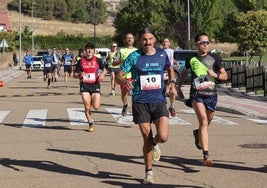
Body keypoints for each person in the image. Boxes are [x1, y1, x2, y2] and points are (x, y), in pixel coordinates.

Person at [116, 27, 177, 184]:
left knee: (163, 136)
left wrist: (171, 82)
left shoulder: (162, 54)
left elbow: (170, 68)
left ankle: (155, 144)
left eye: (150, 39)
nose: (147, 42)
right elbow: (119, 75)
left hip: (158, 100)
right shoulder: (134, 56)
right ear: (140, 41)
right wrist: (125, 81)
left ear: (154, 40)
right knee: (146, 138)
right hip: (140, 101)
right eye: (144, 39)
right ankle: (148, 172)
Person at [178, 32, 227, 166]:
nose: (205, 45)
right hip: (197, 94)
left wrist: (215, 74)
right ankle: (206, 155)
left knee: (208, 120)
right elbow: (183, 74)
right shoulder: (191, 59)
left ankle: (197, 133)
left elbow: (224, 76)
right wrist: (179, 88)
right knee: (204, 121)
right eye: (202, 42)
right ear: (197, 44)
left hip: (211, 95)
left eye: (207, 42)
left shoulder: (215, 58)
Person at [74, 42, 107, 132]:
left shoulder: (97, 60)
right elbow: (74, 75)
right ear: (85, 50)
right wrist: (80, 74)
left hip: (95, 85)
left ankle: (92, 101)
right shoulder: (81, 61)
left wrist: (102, 75)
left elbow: (104, 69)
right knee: (87, 106)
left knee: (96, 106)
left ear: (93, 51)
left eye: (91, 49)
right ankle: (90, 123)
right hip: (84, 86)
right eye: (88, 48)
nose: (89, 50)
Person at [113, 33, 137, 116]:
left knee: (136, 93)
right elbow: (114, 62)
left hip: (134, 76)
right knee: (124, 94)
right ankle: (125, 105)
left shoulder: (137, 51)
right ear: (124, 40)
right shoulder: (121, 50)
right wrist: (121, 61)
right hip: (124, 77)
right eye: (128, 38)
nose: (129, 39)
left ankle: (136, 108)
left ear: (134, 40)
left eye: (131, 38)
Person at [161, 37, 178, 117]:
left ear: (169, 43)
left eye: (166, 42)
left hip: (170, 73)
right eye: (164, 42)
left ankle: (172, 106)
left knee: (172, 91)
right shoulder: (159, 51)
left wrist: (175, 62)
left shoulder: (171, 51)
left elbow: (171, 58)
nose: (165, 43)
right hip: (162, 74)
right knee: (163, 91)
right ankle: (163, 106)